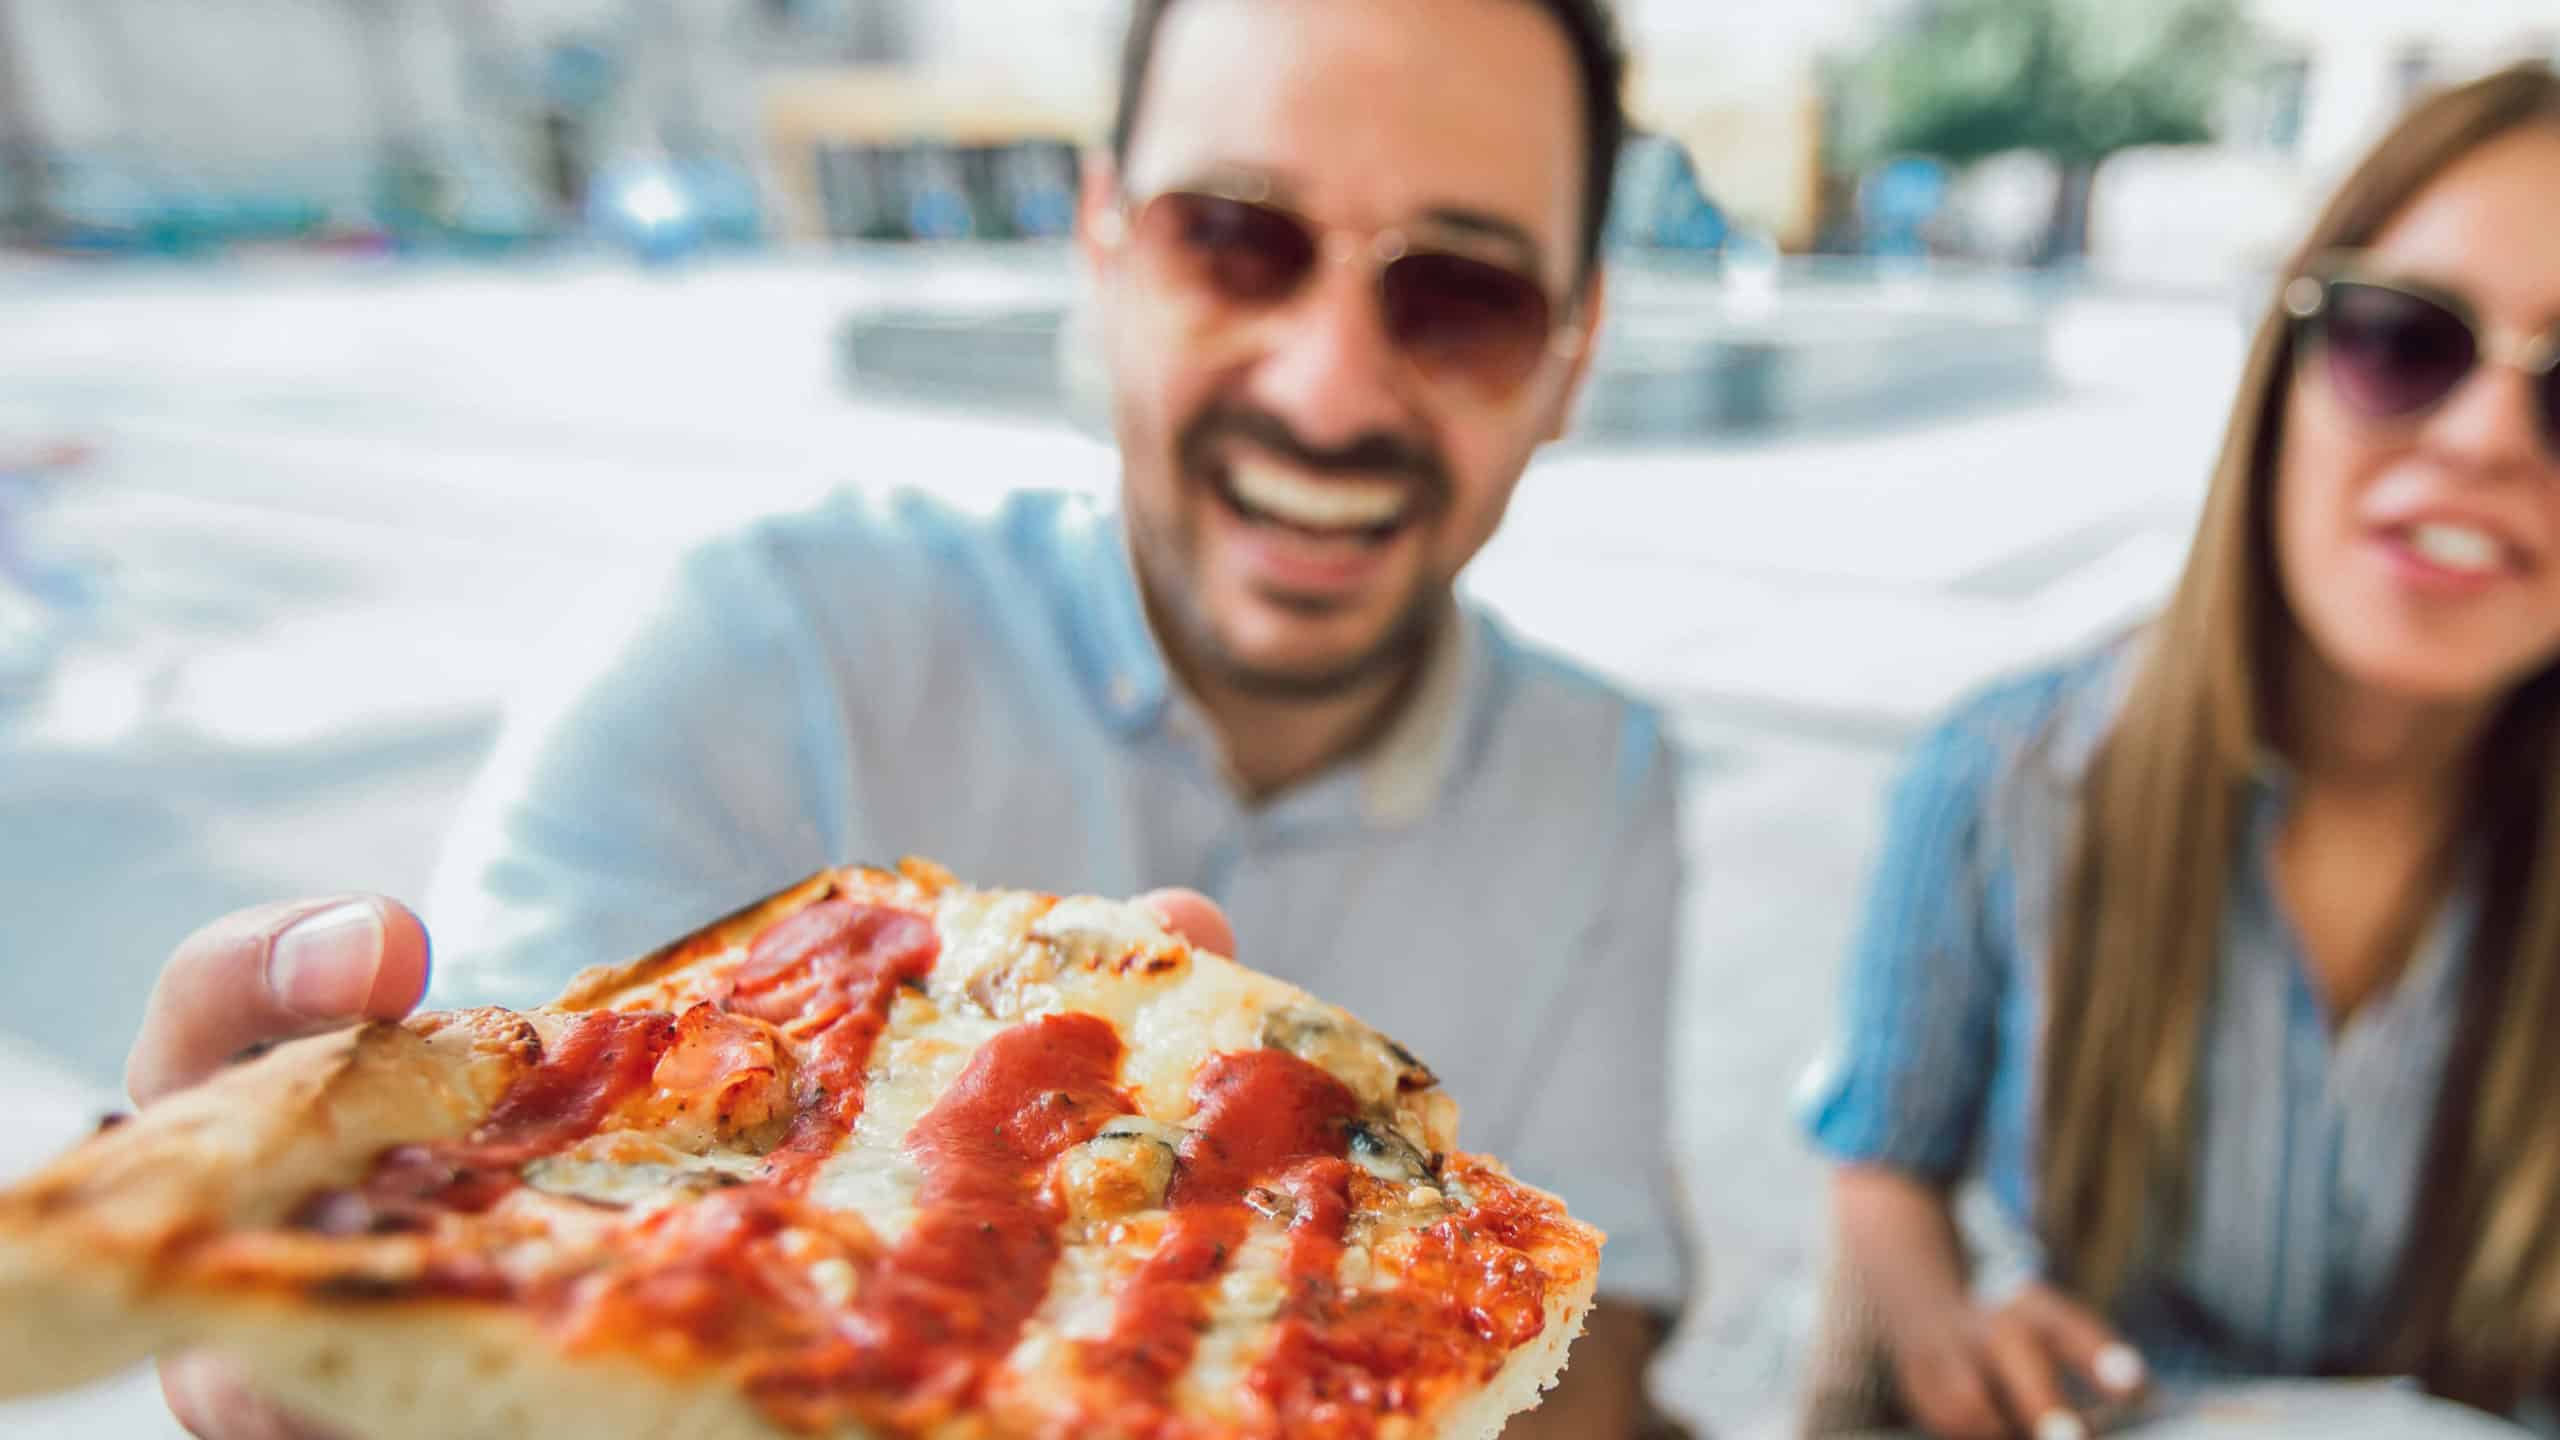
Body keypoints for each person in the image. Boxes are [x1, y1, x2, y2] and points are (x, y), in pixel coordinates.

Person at [121, 1, 1693, 1435]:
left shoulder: (1600, 776)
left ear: (1575, 354)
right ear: (1101, 244)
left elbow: (1591, 1341)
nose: (1331, 389)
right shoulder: (759, 649)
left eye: (1466, 294)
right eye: (1234, 239)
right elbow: (485, 1237)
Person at [1800, 63, 2560, 1440]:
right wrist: (1949, 1338)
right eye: (2406, 341)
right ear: (2282, 369)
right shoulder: (2005, 776)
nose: (2486, 438)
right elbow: (1885, 1163)